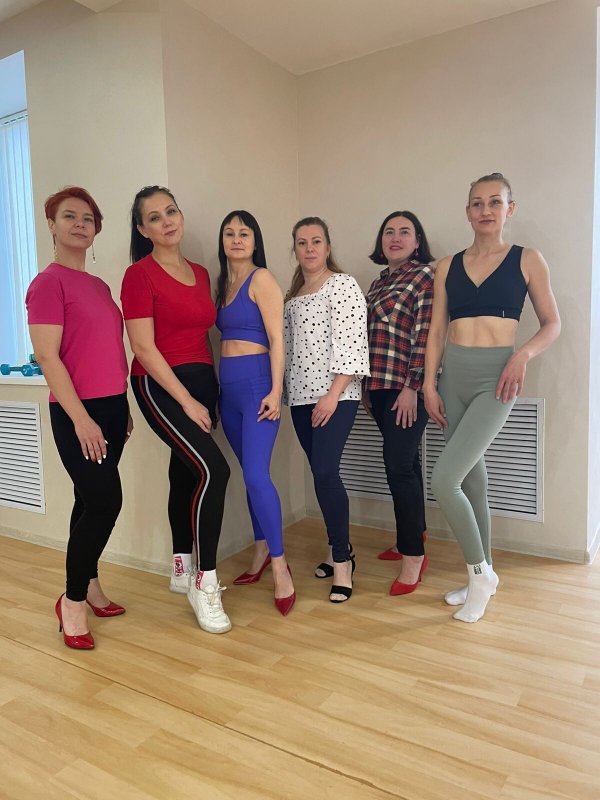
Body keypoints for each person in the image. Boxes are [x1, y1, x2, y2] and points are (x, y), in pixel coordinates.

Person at [424, 173, 561, 623]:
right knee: (471, 482)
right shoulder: (448, 265)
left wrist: (522, 355)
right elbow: (437, 330)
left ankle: (480, 574)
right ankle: (480, 576)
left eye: (495, 202)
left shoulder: (527, 259)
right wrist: (429, 384)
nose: (486, 210)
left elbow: (552, 323)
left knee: (444, 480)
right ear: (467, 211)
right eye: (477, 203)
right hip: (453, 378)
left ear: (509, 208)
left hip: (497, 379)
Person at [121, 185, 231, 634]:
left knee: (185, 472)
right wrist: (186, 400)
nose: (166, 221)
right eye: (154, 217)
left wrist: (210, 391)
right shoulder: (138, 275)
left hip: (201, 382)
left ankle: (181, 566)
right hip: (160, 386)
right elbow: (143, 348)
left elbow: (202, 336)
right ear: (143, 229)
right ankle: (205, 583)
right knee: (214, 471)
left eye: (171, 211)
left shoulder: (200, 273)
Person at [26, 187, 131, 650]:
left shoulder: (100, 286)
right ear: (52, 224)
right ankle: (71, 603)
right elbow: (48, 357)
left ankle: (88, 585)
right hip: (77, 412)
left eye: (88, 218)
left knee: (87, 501)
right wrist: (83, 420)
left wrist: (122, 407)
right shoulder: (47, 284)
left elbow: (107, 351)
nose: (80, 224)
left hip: (112, 407)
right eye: (69, 216)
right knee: (105, 503)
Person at [284, 217, 370, 602]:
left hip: (335, 396)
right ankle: (339, 545)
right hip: (300, 398)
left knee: (325, 472)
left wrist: (333, 394)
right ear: (295, 249)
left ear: (328, 247)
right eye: (302, 242)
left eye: (316, 241)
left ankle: (342, 562)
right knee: (321, 477)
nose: (309, 248)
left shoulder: (342, 285)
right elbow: (288, 349)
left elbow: (353, 343)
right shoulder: (293, 295)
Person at [215, 210, 295, 616]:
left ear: (254, 240)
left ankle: (281, 567)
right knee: (249, 474)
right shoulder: (222, 284)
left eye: (244, 233)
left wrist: (276, 391)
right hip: (228, 392)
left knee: (255, 476)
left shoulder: (261, 278)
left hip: (257, 388)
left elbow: (278, 338)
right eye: (229, 233)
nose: (236, 239)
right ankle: (261, 550)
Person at [363, 211, 434, 595]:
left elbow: (426, 335)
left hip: (406, 389)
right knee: (408, 464)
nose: (395, 237)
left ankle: (413, 556)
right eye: (389, 231)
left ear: (417, 241)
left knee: (398, 468)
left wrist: (412, 386)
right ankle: (414, 535)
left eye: (405, 232)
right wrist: (365, 387)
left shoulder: (424, 277)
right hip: (378, 387)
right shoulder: (379, 283)